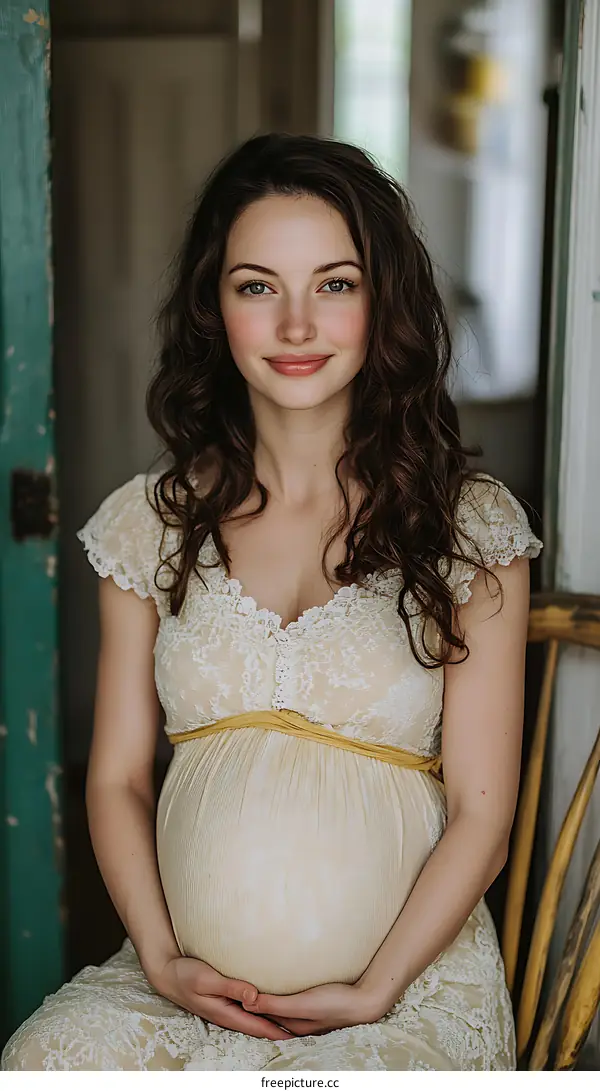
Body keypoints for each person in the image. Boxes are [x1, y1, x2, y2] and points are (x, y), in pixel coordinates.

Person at [2, 133, 542, 1072]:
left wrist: (373, 988)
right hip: (176, 991)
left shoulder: (467, 527)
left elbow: (483, 814)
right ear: (216, 309)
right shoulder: (152, 525)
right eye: (257, 286)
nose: (297, 324)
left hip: (401, 997)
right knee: (43, 1057)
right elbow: (119, 778)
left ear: (384, 303)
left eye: (335, 284)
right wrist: (164, 961)